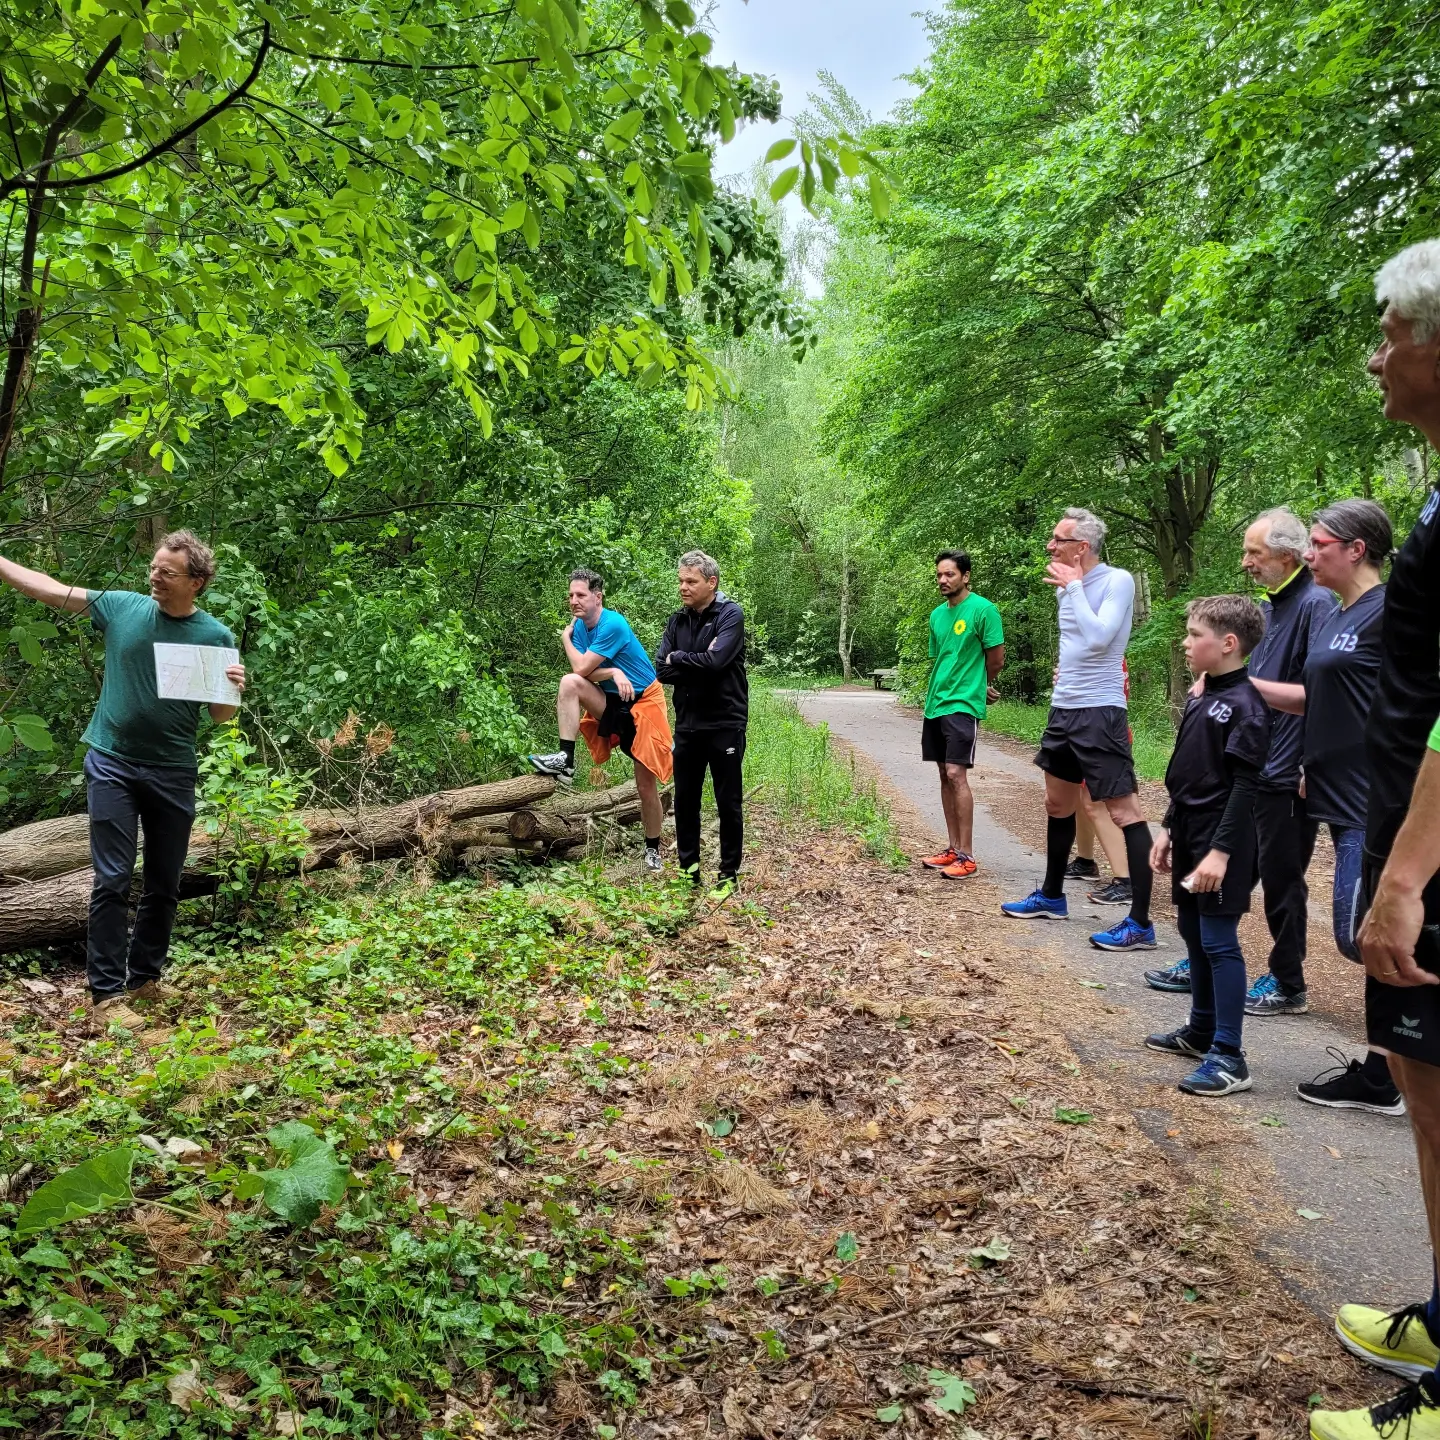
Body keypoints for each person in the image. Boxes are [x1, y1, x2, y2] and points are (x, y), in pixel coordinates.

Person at [1308, 240, 1440, 1440]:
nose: (1376, 354)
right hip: (1407, 821)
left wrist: (1402, 871)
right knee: (1428, 1083)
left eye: (1393, 333)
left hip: (1432, 848)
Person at [0, 531, 245, 1028]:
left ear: (195, 582)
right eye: (154, 567)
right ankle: (107, 997)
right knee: (112, 878)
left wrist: (235, 686)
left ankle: (146, 979)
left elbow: (221, 716)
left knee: (164, 882)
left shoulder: (215, 637)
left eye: (168, 572)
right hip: (111, 762)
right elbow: (51, 589)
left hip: (173, 770)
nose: (155, 576)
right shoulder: (121, 608)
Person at [1238, 500, 1403, 1116]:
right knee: (1363, 935)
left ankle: (1388, 1071)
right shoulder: (1339, 615)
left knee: (1363, 935)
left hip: (1376, 801)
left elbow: (1411, 705)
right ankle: (1388, 1069)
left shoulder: (1391, 613)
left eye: (1318, 543)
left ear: (1356, 549)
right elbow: (1328, 700)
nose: (1309, 555)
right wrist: (1310, 759)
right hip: (1334, 793)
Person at [1000, 507, 1157, 952]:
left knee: (1123, 810)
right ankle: (1052, 896)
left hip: (1101, 711)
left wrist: (1073, 589)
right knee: (1057, 802)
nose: (1050, 546)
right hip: (1064, 709)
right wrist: (1060, 673)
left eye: (1057, 540)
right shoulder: (1067, 588)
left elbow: (1099, 639)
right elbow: (1074, 646)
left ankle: (1140, 923)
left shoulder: (1116, 581)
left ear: (1080, 547)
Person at [1145, 595, 1270, 1096]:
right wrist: (1170, 827)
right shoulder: (1202, 697)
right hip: (1192, 830)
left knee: (1218, 940)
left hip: (1228, 838)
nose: (1186, 642)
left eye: (1195, 634)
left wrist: (1220, 851)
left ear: (1228, 643)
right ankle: (1200, 1031)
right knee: (1193, 931)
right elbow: (1189, 773)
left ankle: (1229, 1055)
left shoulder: (1247, 706)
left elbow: (1244, 786)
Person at [1237, 507, 1337, 1018]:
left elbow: (1324, 691)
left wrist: (1305, 761)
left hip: (1289, 770)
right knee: (1233, 866)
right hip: (1253, 763)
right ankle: (1212, 956)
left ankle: (1288, 982)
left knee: (1282, 876)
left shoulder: (1317, 605)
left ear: (1285, 553)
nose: (1246, 562)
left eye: (1254, 553)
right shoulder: (1269, 608)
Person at [527, 569, 671, 870]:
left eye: (580, 595)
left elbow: (581, 665)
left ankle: (652, 849)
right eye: (570, 595)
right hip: (613, 699)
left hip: (644, 701)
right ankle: (565, 759)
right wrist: (613, 672)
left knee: (646, 785)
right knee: (568, 683)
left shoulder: (612, 624)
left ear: (597, 597)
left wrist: (565, 638)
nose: (574, 601)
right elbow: (585, 673)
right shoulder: (582, 626)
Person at [654, 551, 747, 896]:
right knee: (686, 802)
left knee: (728, 802)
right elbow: (661, 671)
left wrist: (680, 657)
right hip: (687, 725)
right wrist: (693, 660)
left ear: (712, 582)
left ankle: (728, 876)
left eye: (690, 581)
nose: (683, 587)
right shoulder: (677, 621)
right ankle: (688, 874)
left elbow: (717, 661)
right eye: (681, 580)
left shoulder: (730, 615)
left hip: (725, 723)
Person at [916, 550, 1005, 880]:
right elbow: (942, 659)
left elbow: (995, 658)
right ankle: (952, 848)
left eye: (949, 574)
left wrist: (983, 685)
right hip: (936, 702)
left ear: (965, 576)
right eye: (939, 575)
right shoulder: (937, 616)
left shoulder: (984, 610)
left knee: (956, 773)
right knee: (943, 772)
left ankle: (967, 854)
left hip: (963, 704)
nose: (942, 580)